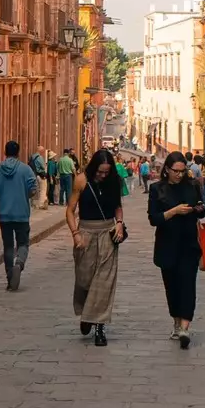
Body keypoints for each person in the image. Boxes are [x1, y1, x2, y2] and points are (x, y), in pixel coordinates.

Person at [67, 148, 127, 347]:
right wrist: (75, 234)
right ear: (94, 167)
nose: (102, 175)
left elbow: (118, 206)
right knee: (84, 279)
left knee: (104, 282)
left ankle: (99, 326)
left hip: (107, 233)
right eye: (100, 171)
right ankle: (87, 313)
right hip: (85, 232)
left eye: (106, 172)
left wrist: (119, 222)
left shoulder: (114, 182)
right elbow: (70, 210)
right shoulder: (81, 180)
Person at [148, 150, 205, 348]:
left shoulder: (192, 186)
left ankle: (185, 328)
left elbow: (202, 211)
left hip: (189, 244)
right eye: (176, 171)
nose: (179, 175)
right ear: (167, 170)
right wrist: (173, 212)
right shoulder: (157, 189)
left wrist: (197, 209)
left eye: (183, 171)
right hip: (167, 245)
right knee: (172, 288)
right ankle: (176, 321)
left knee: (188, 285)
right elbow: (153, 219)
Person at [0, 140, 39, 290]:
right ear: (18, 153)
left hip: (4, 214)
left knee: (8, 246)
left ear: (5, 152)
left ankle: (10, 276)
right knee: (23, 243)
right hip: (21, 213)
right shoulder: (26, 170)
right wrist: (25, 195)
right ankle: (19, 263)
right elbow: (33, 189)